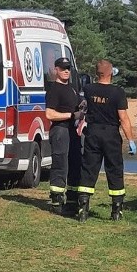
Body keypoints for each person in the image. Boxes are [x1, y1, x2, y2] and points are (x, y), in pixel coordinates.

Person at [76, 59, 136, 221]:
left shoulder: (88, 89)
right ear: (111, 73)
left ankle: (83, 208)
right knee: (114, 169)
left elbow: (82, 108)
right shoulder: (118, 92)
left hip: (93, 133)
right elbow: (123, 118)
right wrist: (130, 139)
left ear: (97, 73)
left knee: (89, 168)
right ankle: (116, 210)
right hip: (111, 134)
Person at [44, 57, 84, 215]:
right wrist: (71, 115)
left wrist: (82, 103)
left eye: (68, 68)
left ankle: (72, 200)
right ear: (56, 70)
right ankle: (57, 202)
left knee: (75, 164)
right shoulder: (54, 89)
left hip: (73, 131)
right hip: (60, 130)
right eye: (62, 68)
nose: (66, 71)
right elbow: (49, 114)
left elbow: (77, 104)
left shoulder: (72, 88)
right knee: (60, 165)